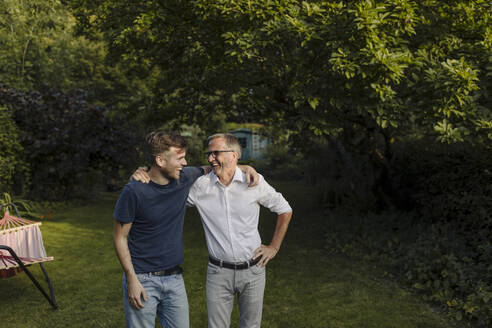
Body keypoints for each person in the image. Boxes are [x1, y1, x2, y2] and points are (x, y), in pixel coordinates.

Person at [113, 131, 258, 328]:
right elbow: (120, 238)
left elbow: (214, 166)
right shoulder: (134, 190)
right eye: (179, 158)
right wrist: (131, 279)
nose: (184, 163)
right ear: (160, 160)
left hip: (175, 279)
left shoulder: (184, 177)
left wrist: (245, 166)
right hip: (142, 279)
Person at [188, 133, 293, 328]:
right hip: (218, 272)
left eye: (215, 153)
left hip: (253, 271)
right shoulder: (200, 186)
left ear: (234, 155)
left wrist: (274, 247)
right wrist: (146, 171)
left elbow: (285, 210)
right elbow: (169, 188)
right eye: (208, 154)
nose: (210, 158)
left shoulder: (253, 181)